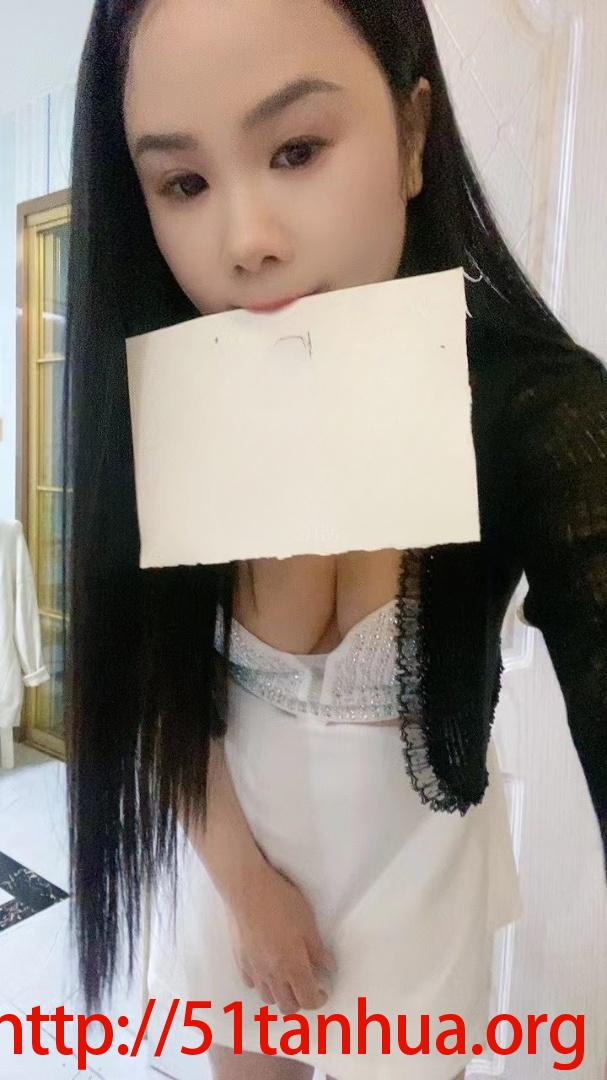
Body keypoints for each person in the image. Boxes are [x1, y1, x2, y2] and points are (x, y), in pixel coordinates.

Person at [62, 1, 607, 1078]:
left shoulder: (525, 413)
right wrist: (246, 894)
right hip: (230, 844)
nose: (246, 241)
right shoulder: (167, 405)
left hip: (414, 878)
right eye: (184, 183)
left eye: (297, 149)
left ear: (411, 135)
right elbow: (154, 680)